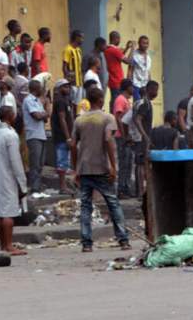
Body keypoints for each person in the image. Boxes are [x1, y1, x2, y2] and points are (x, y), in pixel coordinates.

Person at [70, 86, 130, 252]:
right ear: (101, 100)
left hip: (84, 168)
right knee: (113, 203)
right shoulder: (107, 118)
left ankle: (87, 243)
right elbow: (108, 141)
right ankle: (123, 239)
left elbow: (73, 145)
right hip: (102, 167)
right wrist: (113, 166)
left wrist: (75, 169)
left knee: (85, 206)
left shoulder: (79, 120)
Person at [0, 105, 29, 256]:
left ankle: (3, 245)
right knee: (8, 213)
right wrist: (22, 180)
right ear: (10, 116)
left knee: (1, 211)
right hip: (9, 176)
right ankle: (9, 245)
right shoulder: (10, 135)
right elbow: (15, 161)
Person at [130, 80, 158, 199]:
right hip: (141, 139)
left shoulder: (140, 102)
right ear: (149, 90)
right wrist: (145, 136)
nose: (156, 93)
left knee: (140, 164)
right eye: (155, 90)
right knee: (141, 164)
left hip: (139, 137)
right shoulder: (145, 104)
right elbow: (137, 120)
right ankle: (141, 192)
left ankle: (140, 191)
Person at [23, 80, 49, 192]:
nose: (42, 91)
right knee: (35, 162)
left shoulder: (38, 101)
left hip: (41, 134)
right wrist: (45, 113)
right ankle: (34, 187)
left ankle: (37, 185)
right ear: (36, 89)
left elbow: (45, 118)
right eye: (41, 88)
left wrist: (44, 114)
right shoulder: (28, 100)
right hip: (33, 135)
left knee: (40, 163)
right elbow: (37, 116)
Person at [112, 79, 135, 198]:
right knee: (124, 164)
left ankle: (126, 188)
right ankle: (121, 190)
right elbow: (118, 118)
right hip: (122, 137)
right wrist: (124, 135)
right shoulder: (120, 100)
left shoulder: (126, 100)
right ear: (127, 87)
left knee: (128, 163)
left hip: (127, 136)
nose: (133, 89)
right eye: (132, 87)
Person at [52, 79, 75, 194]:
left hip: (66, 135)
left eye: (68, 87)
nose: (68, 89)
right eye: (65, 87)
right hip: (61, 136)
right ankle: (62, 187)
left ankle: (64, 185)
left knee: (65, 161)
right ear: (60, 88)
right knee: (62, 161)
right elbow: (62, 119)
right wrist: (68, 137)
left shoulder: (66, 101)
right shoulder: (60, 101)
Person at [99, 34, 133, 101]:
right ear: (115, 39)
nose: (119, 41)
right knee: (116, 100)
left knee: (115, 99)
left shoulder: (108, 50)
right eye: (119, 39)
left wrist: (127, 48)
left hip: (112, 79)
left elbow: (119, 56)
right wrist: (133, 49)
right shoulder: (114, 50)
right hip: (117, 79)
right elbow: (128, 61)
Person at [63, 30, 85, 103]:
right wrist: (68, 81)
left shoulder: (79, 50)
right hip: (72, 82)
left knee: (78, 103)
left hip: (80, 82)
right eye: (81, 38)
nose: (83, 40)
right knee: (72, 102)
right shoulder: (68, 49)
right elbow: (64, 66)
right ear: (76, 37)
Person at [128, 35, 152, 101]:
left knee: (146, 104)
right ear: (139, 43)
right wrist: (129, 84)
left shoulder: (148, 56)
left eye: (147, 43)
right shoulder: (135, 55)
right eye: (143, 43)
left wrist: (150, 83)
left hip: (146, 85)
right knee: (138, 104)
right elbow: (130, 70)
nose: (145, 45)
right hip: (136, 85)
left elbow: (148, 71)